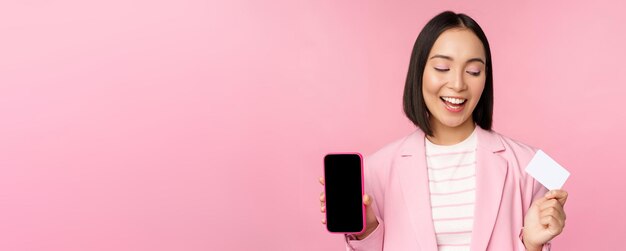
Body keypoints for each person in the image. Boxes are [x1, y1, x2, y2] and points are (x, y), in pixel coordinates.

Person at [318, 11, 567, 251]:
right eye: (442, 68)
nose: (458, 84)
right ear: (419, 72)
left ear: (486, 78)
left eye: (473, 71)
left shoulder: (531, 165)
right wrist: (366, 232)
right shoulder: (375, 171)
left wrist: (533, 245)